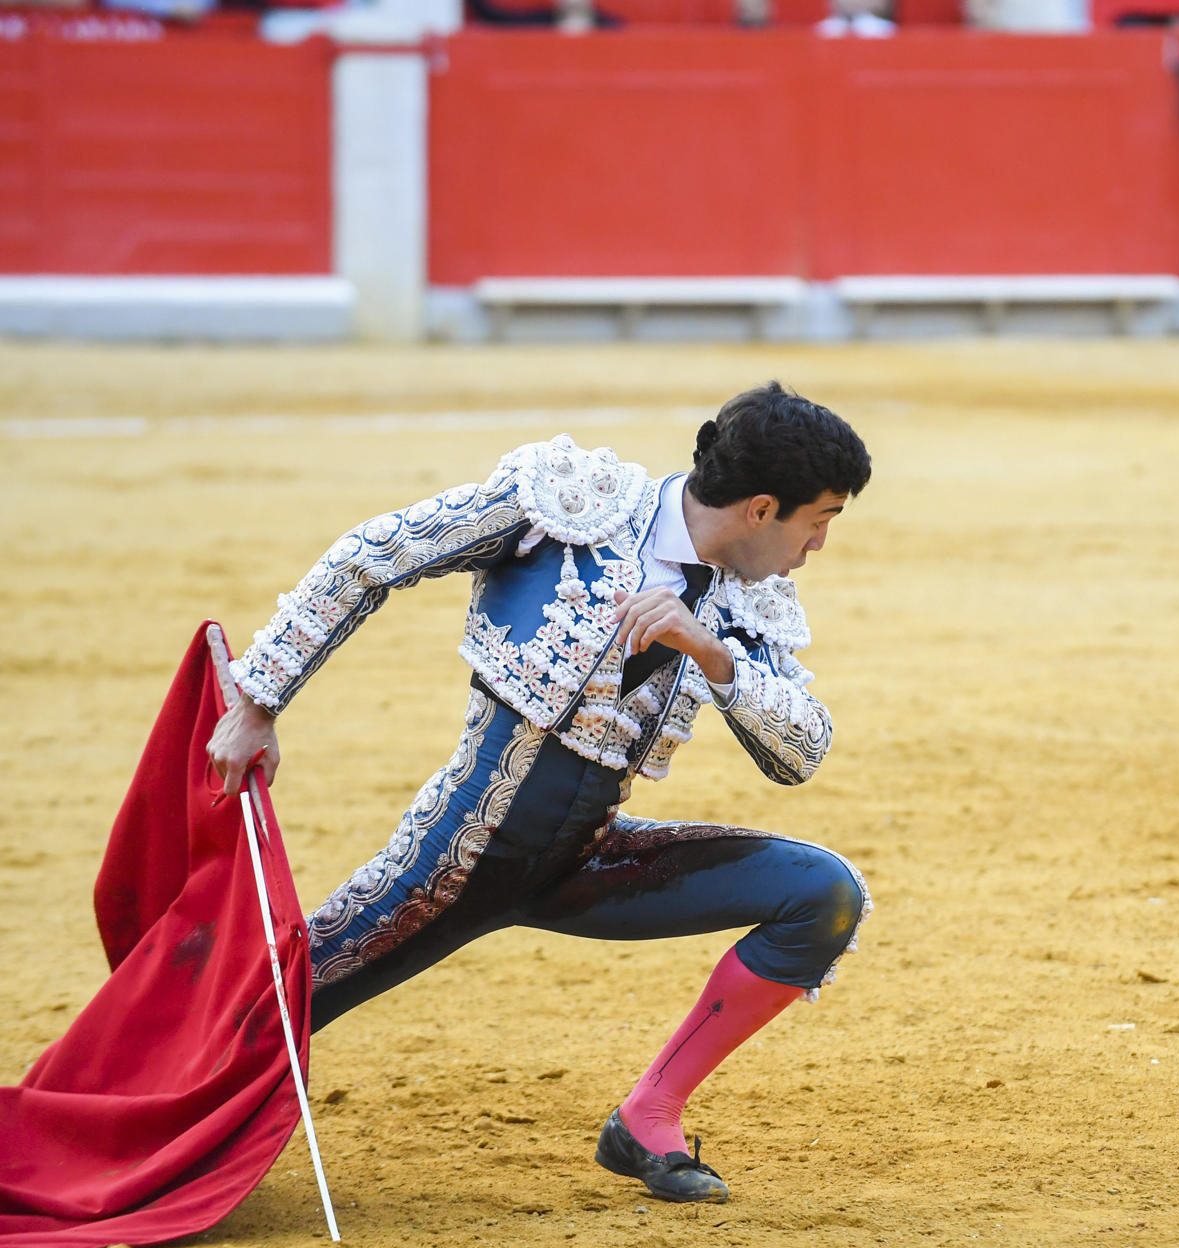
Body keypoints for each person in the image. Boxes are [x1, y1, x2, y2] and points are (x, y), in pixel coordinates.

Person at [206, 382, 873, 1206]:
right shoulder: (569, 506)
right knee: (257, 1018)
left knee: (825, 896)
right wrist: (258, 700)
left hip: (586, 862)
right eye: (822, 519)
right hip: (450, 865)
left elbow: (801, 749)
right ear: (763, 508)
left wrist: (711, 653)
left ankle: (648, 1118)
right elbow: (372, 555)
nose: (819, 545)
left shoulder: (746, 601)